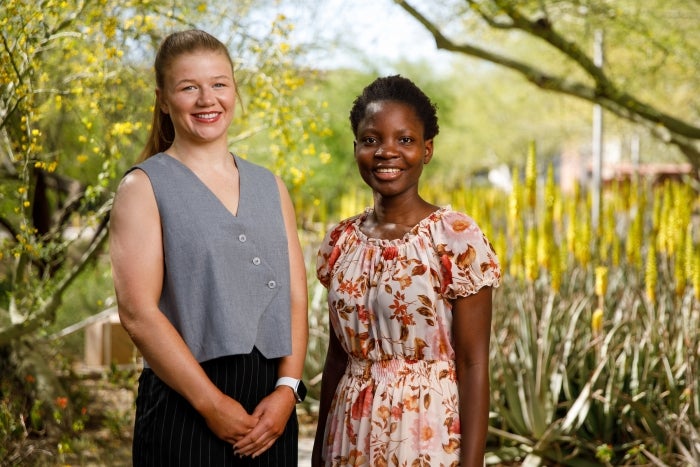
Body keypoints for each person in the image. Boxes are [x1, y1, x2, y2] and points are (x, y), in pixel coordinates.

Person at [109, 29, 308, 466]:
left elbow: (294, 295)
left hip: (271, 411)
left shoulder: (270, 186)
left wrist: (287, 390)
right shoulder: (143, 187)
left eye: (219, 83)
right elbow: (139, 314)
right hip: (186, 404)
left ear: (234, 89)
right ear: (163, 99)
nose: (207, 99)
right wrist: (210, 404)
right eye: (189, 87)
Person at [311, 75, 501, 467]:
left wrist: (472, 464)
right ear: (356, 148)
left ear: (427, 150)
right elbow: (337, 360)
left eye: (405, 140)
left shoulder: (455, 238)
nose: (386, 151)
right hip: (347, 438)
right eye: (371, 139)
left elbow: (473, 362)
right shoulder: (340, 241)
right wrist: (317, 455)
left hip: (426, 437)